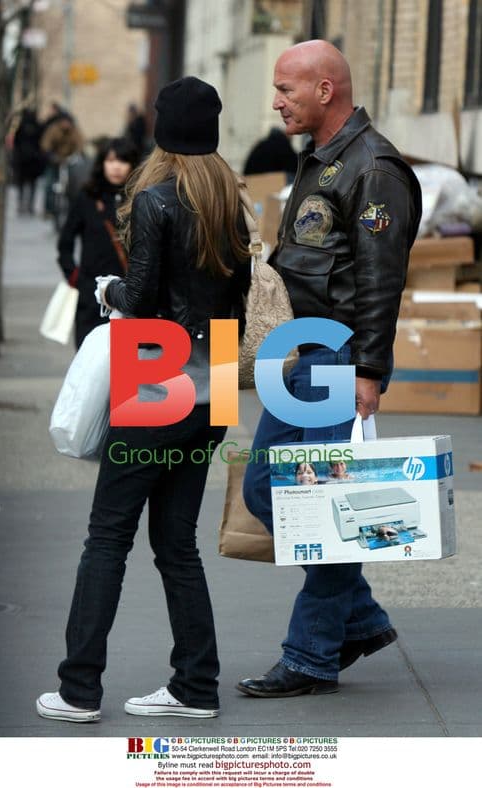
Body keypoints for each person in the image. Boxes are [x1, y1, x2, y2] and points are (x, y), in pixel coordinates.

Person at [36, 76, 250, 723]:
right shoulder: (228, 206)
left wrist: (107, 295)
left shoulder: (158, 201)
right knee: (175, 543)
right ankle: (195, 683)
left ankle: (78, 689)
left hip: (158, 380)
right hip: (211, 383)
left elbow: (143, 298)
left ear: (163, 131)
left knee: (107, 537)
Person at [238, 40, 422, 699]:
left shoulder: (375, 170)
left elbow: (380, 281)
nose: (276, 100)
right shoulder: (322, 162)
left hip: (340, 358)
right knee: (265, 489)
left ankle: (312, 655)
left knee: (324, 505)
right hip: (303, 353)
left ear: (325, 91)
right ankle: (362, 620)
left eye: (287, 88)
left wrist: (369, 370)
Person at [57, 137, 140, 348]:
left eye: (122, 161)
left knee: (123, 368)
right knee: (88, 361)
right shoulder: (88, 197)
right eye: (111, 160)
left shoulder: (139, 199)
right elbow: (65, 242)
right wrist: (74, 276)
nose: (116, 167)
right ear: (102, 163)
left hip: (127, 295)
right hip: (91, 294)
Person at [12, 109, 46, 214]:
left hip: (23, 160)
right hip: (33, 160)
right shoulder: (38, 126)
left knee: (22, 185)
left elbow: (15, 142)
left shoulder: (22, 126)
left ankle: (22, 204)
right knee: (32, 185)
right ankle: (29, 206)